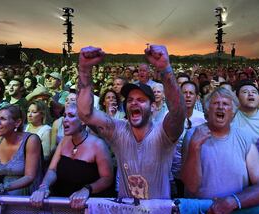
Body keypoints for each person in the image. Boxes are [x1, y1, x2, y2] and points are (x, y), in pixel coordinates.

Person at [77, 45, 185, 199]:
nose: (134, 103)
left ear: (153, 106)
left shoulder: (163, 133)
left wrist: (166, 69)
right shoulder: (118, 130)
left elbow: (178, 113)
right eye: (130, 100)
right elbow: (85, 113)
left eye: (141, 100)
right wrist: (84, 70)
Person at [180, 87, 259, 214]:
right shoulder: (192, 135)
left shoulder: (244, 138)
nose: (220, 107)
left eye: (225, 104)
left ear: (233, 112)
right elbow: (191, 186)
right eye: (216, 103)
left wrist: (232, 202)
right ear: (207, 110)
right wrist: (194, 147)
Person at [30, 103, 113, 209]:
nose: (65, 120)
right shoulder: (64, 141)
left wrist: (87, 189)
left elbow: (107, 179)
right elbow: (52, 170)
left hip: (86, 206)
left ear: (83, 121)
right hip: (61, 202)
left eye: (71, 116)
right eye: (64, 115)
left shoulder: (98, 145)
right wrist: (44, 186)